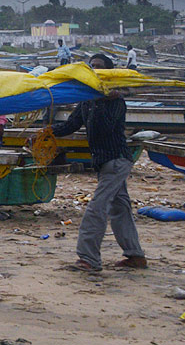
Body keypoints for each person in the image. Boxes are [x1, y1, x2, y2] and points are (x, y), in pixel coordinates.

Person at [45, 53, 147, 272]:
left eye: (99, 67)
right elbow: (70, 125)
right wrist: (46, 133)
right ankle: (136, 256)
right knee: (120, 208)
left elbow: (105, 127)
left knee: (97, 208)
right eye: (91, 67)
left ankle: (88, 259)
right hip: (103, 162)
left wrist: (103, 100)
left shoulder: (116, 102)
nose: (94, 70)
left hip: (116, 161)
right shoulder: (86, 101)